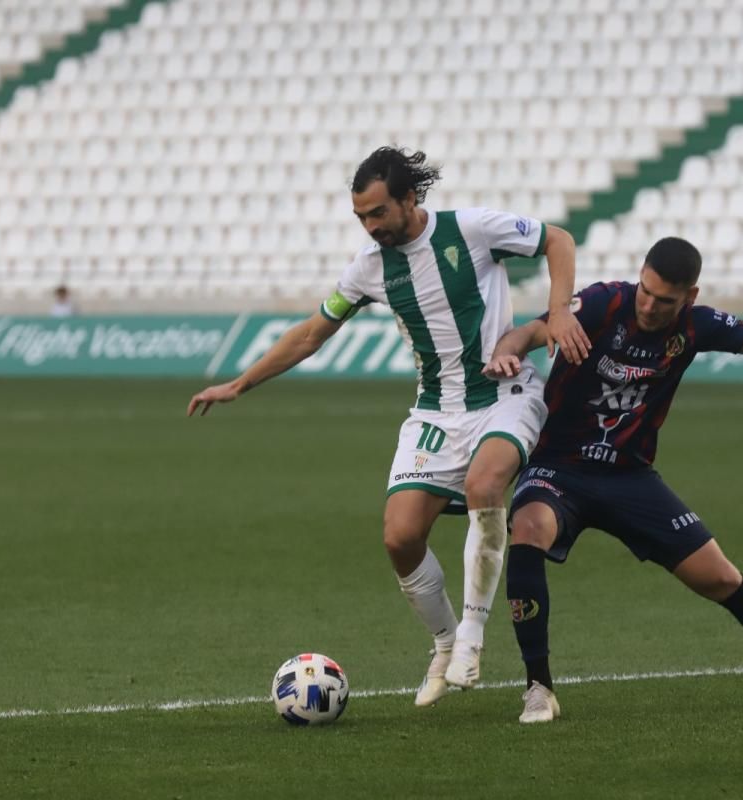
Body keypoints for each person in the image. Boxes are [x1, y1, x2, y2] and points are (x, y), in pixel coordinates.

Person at [187, 147, 590, 705]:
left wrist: (560, 309)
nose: (371, 226)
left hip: (505, 392)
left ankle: (473, 634)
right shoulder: (367, 269)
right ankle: (446, 640)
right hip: (435, 410)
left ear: (409, 199)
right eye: (361, 217)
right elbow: (310, 334)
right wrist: (239, 384)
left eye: (378, 213)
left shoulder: (471, 229)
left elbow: (558, 239)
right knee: (400, 537)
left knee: (485, 484)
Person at [483, 236, 743, 724]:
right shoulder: (604, 303)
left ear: (690, 296)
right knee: (529, 528)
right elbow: (528, 334)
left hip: (629, 477)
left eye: (664, 299)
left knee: (722, 577)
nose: (648, 305)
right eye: (645, 290)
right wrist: (506, 354)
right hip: (559, 466)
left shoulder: (696, 325)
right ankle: (539, 688)